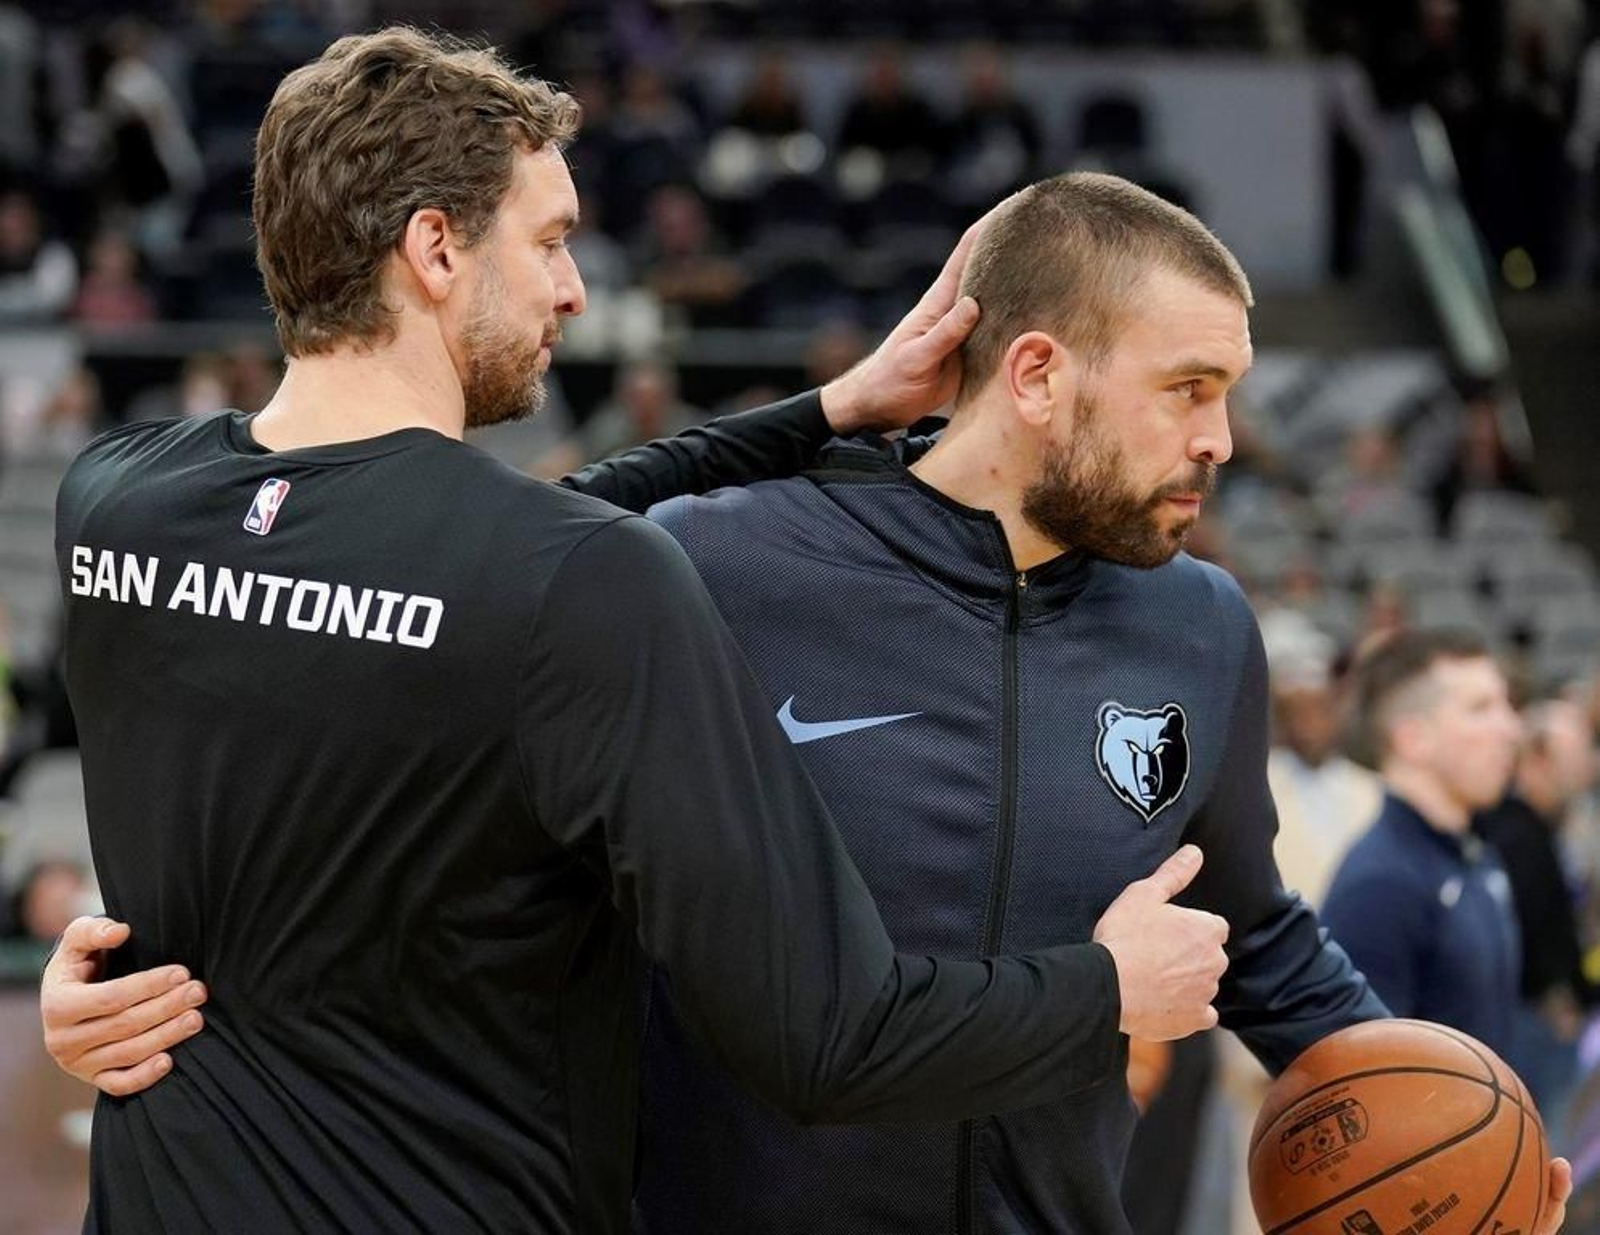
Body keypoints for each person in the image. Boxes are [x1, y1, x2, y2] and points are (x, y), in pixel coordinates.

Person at [47, 165, 1575, 1232]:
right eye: (1189, 389)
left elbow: (1247, 925)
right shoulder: (712, 563)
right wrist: (151, 959)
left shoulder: (1202, 625)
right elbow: (417, 690)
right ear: (1035, 373)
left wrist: (1477, 1125)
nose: (1226, 438)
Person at [1322, 629, 1524, 1057]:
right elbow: (1363, 1082)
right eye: (1480, 708)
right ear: (1413, 738)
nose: (1511, 728)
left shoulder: (1475, 856)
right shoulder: (1379, 885)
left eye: (1506, 705)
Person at [1476, 699, 1599, 1125]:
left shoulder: (1544, 828)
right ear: (1540, 758)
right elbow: (1525, 936)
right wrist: (1557, 999)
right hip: (1533, 1023)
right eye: (1579, 754)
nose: (1590, 766)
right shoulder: (1511, 834)